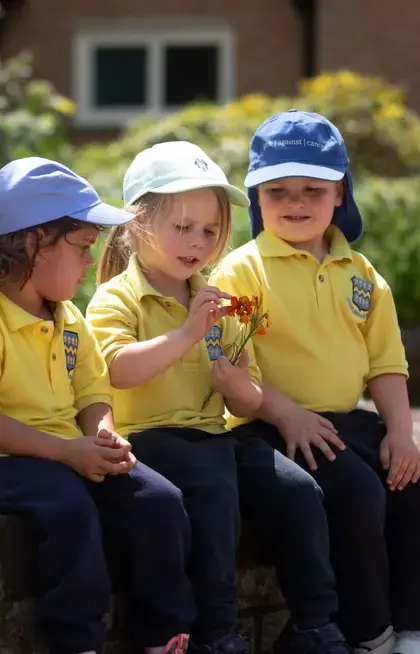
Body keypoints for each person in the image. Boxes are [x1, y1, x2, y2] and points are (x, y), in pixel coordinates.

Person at [87, 141, 351, 654]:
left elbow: (245, 403)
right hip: (151, 437)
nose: (199, 242)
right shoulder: (117, 296)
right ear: (138, 222)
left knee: (296, 489)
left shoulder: (212, 296)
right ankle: (216, 634)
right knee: (212, 489)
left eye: (210, 230)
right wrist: (187, 332)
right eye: (182, 227)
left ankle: (314, 623)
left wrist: (242, 390)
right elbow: (116, 370)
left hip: (213, 436)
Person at [211, 109, 420, 654]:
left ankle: (411, 628)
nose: (296, 203)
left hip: (347, 420)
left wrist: (402, 433)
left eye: (312, 188)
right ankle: (369, 634)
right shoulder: (242, 271)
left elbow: (386, 365)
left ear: (340, 193)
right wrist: (286, 415)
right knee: (354, 490)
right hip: (268, 425)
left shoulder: (362, 273)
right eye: (278, 190)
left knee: (410, 480)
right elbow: (232, 376)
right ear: (256, 197)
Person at [0, 157, 195, 654]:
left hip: (68, 452)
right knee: (68, 508)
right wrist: (65, 453)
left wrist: (104, 433)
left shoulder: (69, 317)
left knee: (159, 501)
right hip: (12, 460)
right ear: (32, 242)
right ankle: (77, 642)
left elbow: (92, 390)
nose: (91, 262)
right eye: (83, 246)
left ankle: (162, 636)